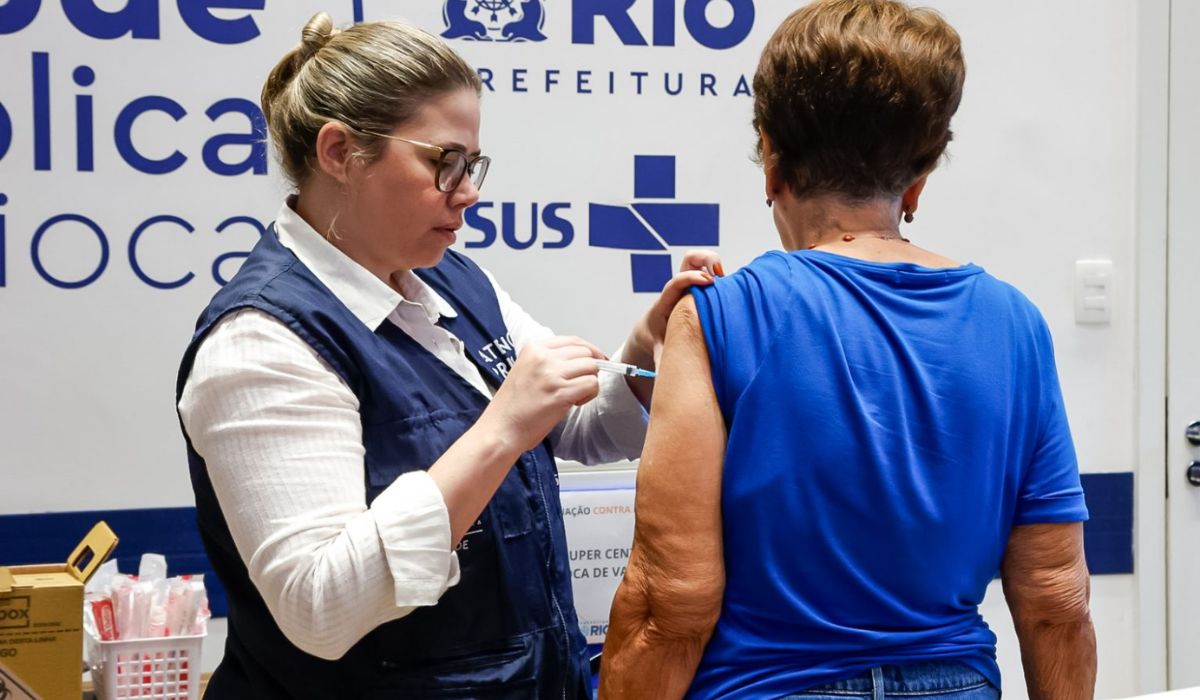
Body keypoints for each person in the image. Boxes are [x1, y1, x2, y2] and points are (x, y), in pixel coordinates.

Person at [175, 13, 716, 698]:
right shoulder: (261, 341)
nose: (469, 192)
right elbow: (320, 606)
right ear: (340, 152)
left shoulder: (454, 280)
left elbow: (576, 427)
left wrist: (646, 345)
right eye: (444, 162)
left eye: (472, 164)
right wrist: (501, 429)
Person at [599, 1, 1096, 698]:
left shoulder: (717, 317)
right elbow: (1055, 598)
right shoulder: (1015, 324)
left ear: (773, 162)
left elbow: (670, 602)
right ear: (917, 179)